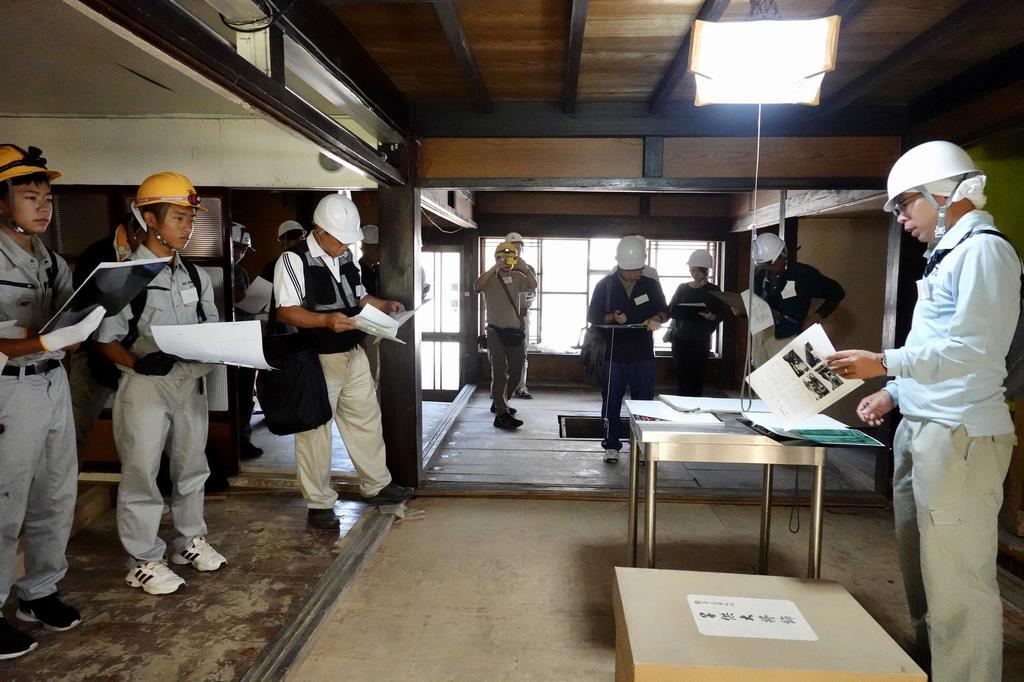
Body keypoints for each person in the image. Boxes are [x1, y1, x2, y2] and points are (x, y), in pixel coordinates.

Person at [826, 141, 1020, 682]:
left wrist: (883, 362)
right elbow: (940, 346)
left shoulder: (984, 252)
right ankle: (932, 661)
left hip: (960, 435)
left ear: (945, 194)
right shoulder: (950, 254)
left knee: (957, 576)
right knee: (923, 565)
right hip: (924, 426)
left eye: (906, 203)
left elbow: (975, 349)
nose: (902, 218)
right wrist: (893, 392)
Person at [95, 172, 227, 596]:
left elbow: (211, 328)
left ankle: (189, 540)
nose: (188, 228)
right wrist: (137, 362)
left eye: (191, 219)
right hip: (144, 386)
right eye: (179, 219)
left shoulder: (196, 276)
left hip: (189, 383)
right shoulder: (125, 276)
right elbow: (106, 340)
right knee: (142, 471)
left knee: (192, 467)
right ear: (150, 219)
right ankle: (143, 560)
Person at [0, 144, 105, 658]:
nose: (43, 207)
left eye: (47, 197)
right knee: (4, 502)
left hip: (51, 383)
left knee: (56, 495)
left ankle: (38, 592)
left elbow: (66, 322)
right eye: (29, 196)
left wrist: (79, 329)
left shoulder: (50, 259)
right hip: (8, 389)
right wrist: (45, 338)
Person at [273, 194, 413, 530]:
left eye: (349, 240)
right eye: (340, 239)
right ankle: (319, 503)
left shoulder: (347, 256)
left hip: (352, 351)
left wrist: (385, 305)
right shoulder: (293, 260)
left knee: (365, 419)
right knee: (315, 432)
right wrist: (325, 320)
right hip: (315, 359)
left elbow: (359, 296)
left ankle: (376, 485)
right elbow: (286, 311)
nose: (345, 245)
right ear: (319, 231)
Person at [69, 217, 145, 458]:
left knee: (142, 434)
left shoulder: (153, 258)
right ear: (133, 229)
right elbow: (83, 307)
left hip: (135, 357)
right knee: (75, 430)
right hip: (93, 357)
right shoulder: (99, 254)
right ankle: (66, 481)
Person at [587, 235, 667, 463]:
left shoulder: (650, 284)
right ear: (619, 265)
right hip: (614, 353)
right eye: (630, 271)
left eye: (638, 270)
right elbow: (592, 316)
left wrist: (657, 318)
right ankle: (611, 445)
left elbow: (664, 309)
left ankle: (641, 445)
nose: (635, 275)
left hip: (642, 352)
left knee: (644, 402)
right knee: (611, 401)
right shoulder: (605, 285)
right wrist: (612, 317)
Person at [749, 232, 844, 366]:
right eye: (764, 264)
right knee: (760, 374)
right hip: (762, 334)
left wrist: (813, 319)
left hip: (788, 335)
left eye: (771, 263)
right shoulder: (760, 276)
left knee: (784, 373)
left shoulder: (803, 274)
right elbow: (756, 302)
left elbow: (836, 292)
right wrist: (742, 308)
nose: (768, 268)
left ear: (782, 254)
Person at [474, 241, 537, 430]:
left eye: (511, 258)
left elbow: (533, 286)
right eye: (503, 257)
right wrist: (495, 267)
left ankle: (501, 402)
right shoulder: (489, 278)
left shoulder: (518, 277)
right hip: (495, 332)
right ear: (497, 258)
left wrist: (525, 269)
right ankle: (502, 413)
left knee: (516, 372)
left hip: (515, 332)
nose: (507, 261)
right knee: (500, 372)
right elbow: (477, 286)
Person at [667, 249, 726, 396]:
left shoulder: (713, 290)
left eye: (697, 271)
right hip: (680, 338)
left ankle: (696, 402)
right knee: (681, 375)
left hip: (700, 339)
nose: (694, 274)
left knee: (697, 375)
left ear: (705, 271)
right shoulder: (682, 288)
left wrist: (711, 316)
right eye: (692, 270)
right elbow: (670, 310)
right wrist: (682, 310)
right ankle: (681, 402)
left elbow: (722, 314)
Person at [230, 222, 262, 461]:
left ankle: (243, 439)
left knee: (245, 392)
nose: (241, 253)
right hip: (222, 339)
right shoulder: (211, 270)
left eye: (243, 249)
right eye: (238, 247)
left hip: (243, 336)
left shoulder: (241, 272)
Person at [504, 232, 537, 399]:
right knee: (502, 354)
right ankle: (500, 387)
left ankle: (521, 386)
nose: (516, 250)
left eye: (519, 247)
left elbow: (533, 292)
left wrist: (525, 305)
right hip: (502, 316)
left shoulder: (528, 268)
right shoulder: (500, 268)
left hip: (523, 316)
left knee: (522, 352)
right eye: (513, 247)